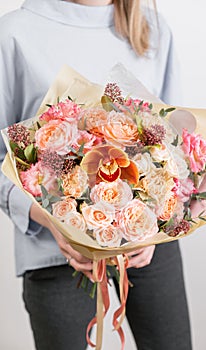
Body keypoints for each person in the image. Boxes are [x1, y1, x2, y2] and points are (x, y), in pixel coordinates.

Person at [0, 0, 192, 349]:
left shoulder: (153, 29)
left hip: (147, 246)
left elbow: (176, 145)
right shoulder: (13, 33)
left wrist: (157, 226)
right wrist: (50, 218)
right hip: (57, 252)